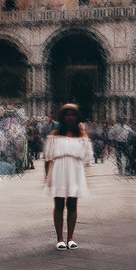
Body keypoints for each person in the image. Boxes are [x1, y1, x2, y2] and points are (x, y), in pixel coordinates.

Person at [44, 103, 92, 251]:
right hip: (58, 170)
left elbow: (87, 157)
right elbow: (48, 158)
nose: (70, 117)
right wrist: (47, 178)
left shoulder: (83, 137)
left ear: (77, 117)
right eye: (67, 114)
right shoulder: (54, 135)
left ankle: (70, 238)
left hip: (75, 171)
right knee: (58, 205)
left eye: (73, 114)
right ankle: (60, 238)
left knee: (72, 205)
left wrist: (83, 176)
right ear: (62, 117)